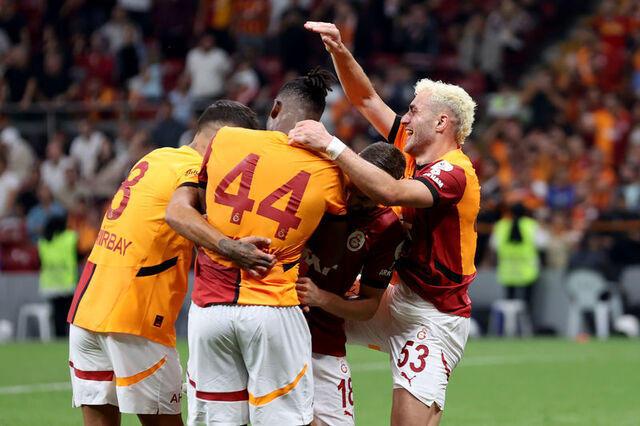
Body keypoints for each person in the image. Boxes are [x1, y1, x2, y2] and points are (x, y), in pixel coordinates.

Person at [288, 22, 480, 426]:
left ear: (441, 123)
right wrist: (339, 50)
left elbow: (390, 192)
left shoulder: (455, 172)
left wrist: (331, 144)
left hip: (432, 313)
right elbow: (365, 98)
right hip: (396, 296)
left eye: (413, 111)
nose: (404, 118)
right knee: (303, 305)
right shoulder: (411, 152)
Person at [66, 100, 275, 426]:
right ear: (225, 139)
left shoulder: (156, 157)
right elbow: (177, 213)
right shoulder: (194, 169)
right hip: (135, 313)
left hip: (87, 310)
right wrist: (231, 248)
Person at [165, 69, 347, 426]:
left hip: (210, 308)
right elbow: (332, 253)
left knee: (218, 422)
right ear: (317, 123)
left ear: (275, 108)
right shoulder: (330, 170)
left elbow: (199, 207)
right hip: (273, 308)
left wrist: (229, 241)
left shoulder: (226, 140)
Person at [295, 142, 406, 426]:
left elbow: (368, 306)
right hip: (277, 320)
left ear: (385, 194)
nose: (352, 198)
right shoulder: (321, 180)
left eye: (366, 196)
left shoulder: (387, 228)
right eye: (353, 186)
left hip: (324, 335)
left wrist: (321, 297)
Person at [491, 203, 547, 312]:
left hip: (508, 271)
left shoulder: (501, 225)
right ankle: (526, 321)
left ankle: (509, 322)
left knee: (509, 304)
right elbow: (542, 243)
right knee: (527, 303)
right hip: (527, 271)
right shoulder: (531, 225)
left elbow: (494, 245)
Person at [38, 215, 78, 337]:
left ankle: (58, 337)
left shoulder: (43, 241)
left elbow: (39, 261)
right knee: (69, 313)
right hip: (67, 282)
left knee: (57, 313)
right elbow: (80, 253)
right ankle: (69, 337)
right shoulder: (70, 237)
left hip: (51, 283)